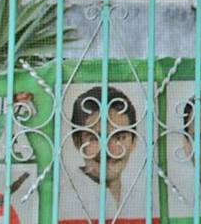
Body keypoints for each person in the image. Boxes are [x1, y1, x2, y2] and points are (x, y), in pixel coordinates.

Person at [61, 86, 146, 221]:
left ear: (134, 141)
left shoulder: (142, 198)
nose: (108, 149)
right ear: (77, 141)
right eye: (95, 138)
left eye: (119, 137)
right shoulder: (65, 198)